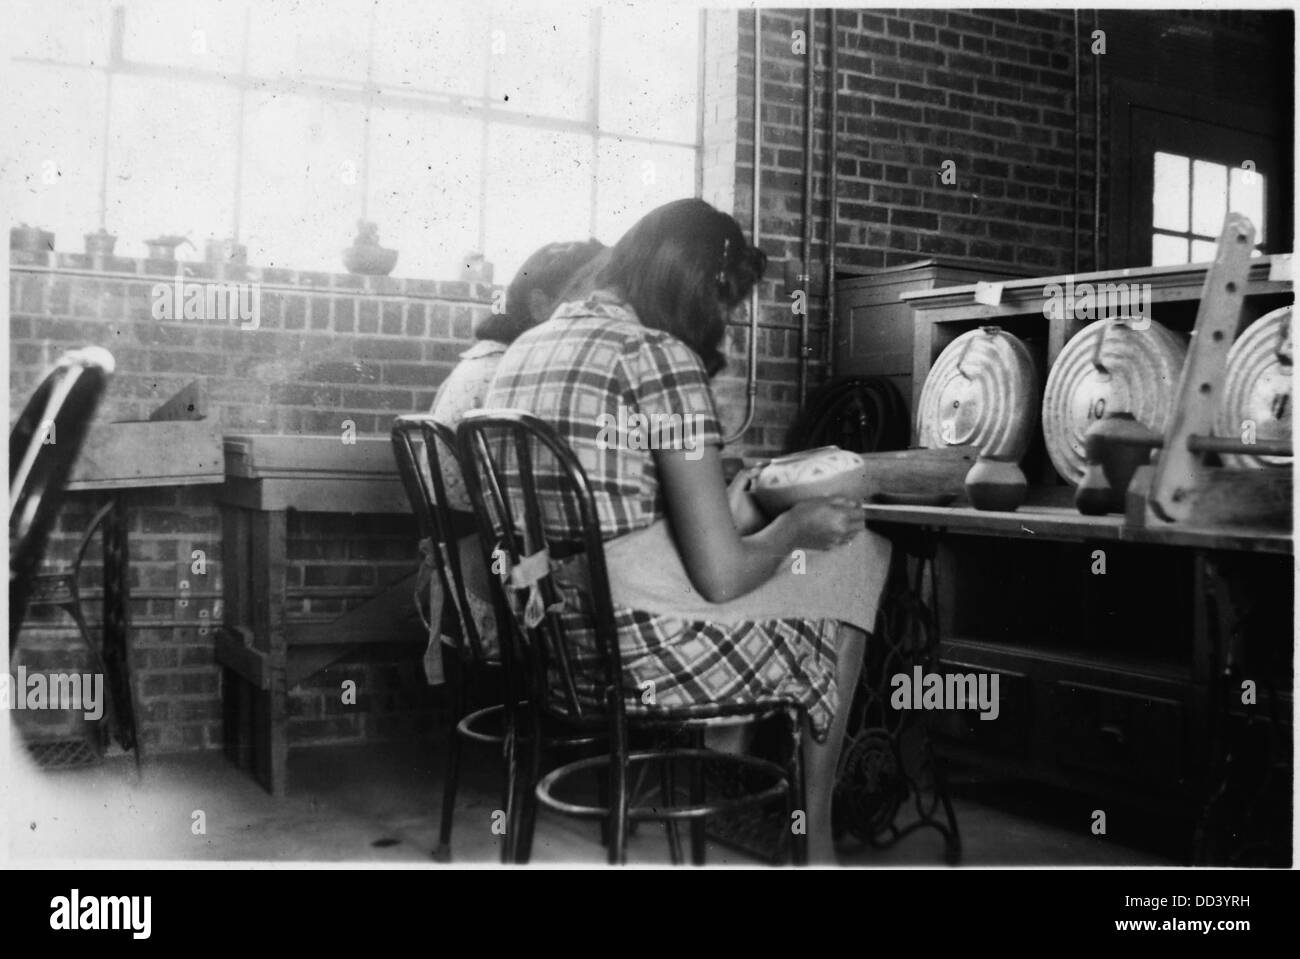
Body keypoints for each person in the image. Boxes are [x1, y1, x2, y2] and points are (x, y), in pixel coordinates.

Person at [484, 198, 889, 862]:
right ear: (693, 280)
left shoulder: (525, 348)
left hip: (549, 642)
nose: (722, 325)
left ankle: (724, 787)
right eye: (723, 303)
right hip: (634, 651)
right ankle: (814, 841)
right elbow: (722, 574)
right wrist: (795, 526)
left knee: (766, 540)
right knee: (857, 558)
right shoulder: (659, 356)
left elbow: (620, 508)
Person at [418, 239, 605, 683]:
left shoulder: (490, 360)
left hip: (468, 575)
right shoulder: (511, 371)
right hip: (492, 592)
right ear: (542, 304)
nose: (600, 303)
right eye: (592, 288)